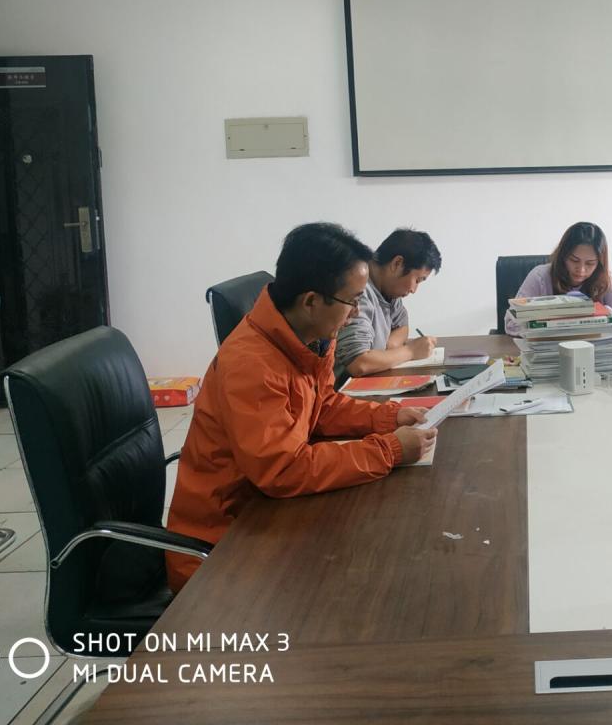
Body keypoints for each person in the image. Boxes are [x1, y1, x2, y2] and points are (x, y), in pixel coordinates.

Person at [165, 223, 436, 591]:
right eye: (352, 301)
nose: (356, 313)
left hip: (269, 514)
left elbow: (322, 406)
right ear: (311, 302)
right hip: (223, 545)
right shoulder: (251, 364)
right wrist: (388, 450)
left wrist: (389, 416)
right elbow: (284, 470)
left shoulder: (309, 336)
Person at [335, 228, 442, 383]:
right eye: (417, 280)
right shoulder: (359, 291)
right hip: (339, 390)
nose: (414, 290)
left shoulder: (388, 290)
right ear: (397, 263)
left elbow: (402, 325)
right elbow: (359, 363)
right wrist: (411, 351)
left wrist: (390, 346)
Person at [505, 221, 612, 336]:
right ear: (563, 256)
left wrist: (598, 314)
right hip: (549, 350)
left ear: (599, 264)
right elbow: (511, 323)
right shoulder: (540, 277)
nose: (581, 270)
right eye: (574, 260)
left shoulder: (605, 281)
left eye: (590, 263)